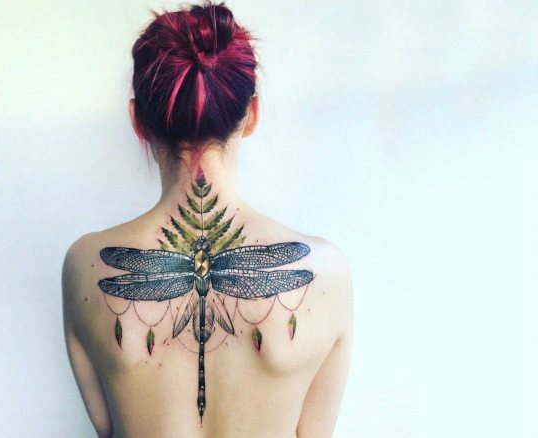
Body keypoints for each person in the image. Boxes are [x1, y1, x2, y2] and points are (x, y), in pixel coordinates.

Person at [62, 2, 353, 437]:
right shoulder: (325, 271)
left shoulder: (86, 263)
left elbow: (107, 428)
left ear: (138, 121)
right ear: (251, 114)